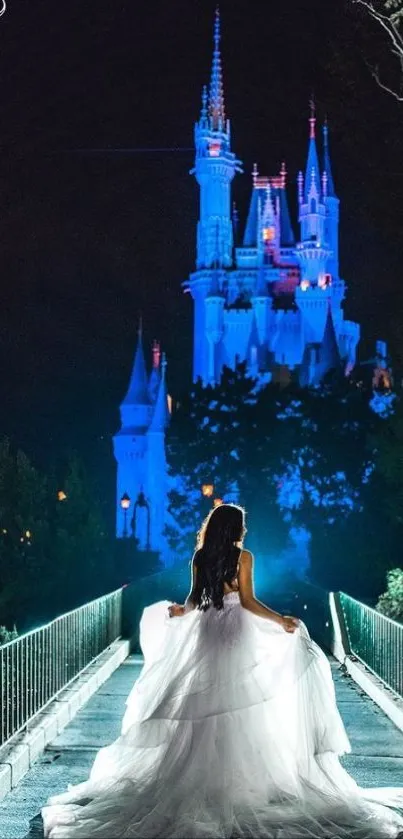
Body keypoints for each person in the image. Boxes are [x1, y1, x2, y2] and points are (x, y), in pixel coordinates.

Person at [42, 503, 403, 838]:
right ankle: (238, 782)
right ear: (235, 528)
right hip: (234, 630)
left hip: (207, 631)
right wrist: (281, 620)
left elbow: (194, 599)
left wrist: (181, 614)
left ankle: (201, 780)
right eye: (242, 525)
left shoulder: (200, 557)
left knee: (204, 701)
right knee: (239, 697)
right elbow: (247, 601)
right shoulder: (243, 557)